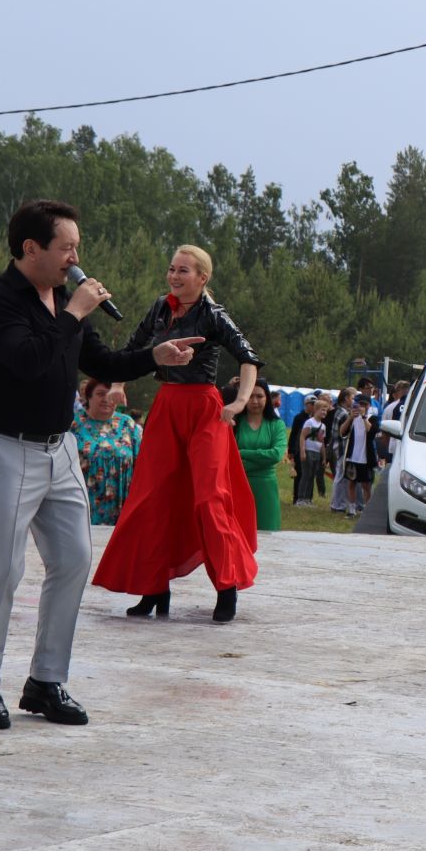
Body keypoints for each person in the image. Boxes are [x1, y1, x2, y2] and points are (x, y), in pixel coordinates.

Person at [0, 199, 203, 731]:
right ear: (31, 249)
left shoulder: (64, 301)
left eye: (77, 248)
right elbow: (28, 360)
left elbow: (101, 362)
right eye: (67, 248)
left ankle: (46, 681)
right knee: (2, 570)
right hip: (5, 446)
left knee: (72, 560)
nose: (77, 259)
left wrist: (154, 356)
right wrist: (73, 314)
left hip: (59, 447)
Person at [93, 244, 263, 625]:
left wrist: (238, 403)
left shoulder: (214, 314)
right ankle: (154, 589)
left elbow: (249, 358)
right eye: (172, 268)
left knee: (209, 499)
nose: (174, 276)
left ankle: (226, 586)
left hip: (205, 410)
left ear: (202, 278)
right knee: (151, 497)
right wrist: (118, 382)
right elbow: (133, 349)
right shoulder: (160, 308)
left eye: (183, 270)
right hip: (167, 405)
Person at [70, 377, 144, 525]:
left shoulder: (127, 424)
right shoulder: (74, 424)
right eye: (100, 394)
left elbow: (141, 463)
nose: (106, 399)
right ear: (88, 397)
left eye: (110, 394)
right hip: (81, 504)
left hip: (121, 504)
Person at [230, 376, 285, 531]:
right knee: (238, 535)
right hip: (238, 487)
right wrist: (261, 460)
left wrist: (241, 453)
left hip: (266, 490)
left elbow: (276, 455)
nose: (254, 401)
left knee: (267, 537)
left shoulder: (277, 425)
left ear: (267, 398)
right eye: (250, 396)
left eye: (259, 396)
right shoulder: (234, 424)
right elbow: (227, 456)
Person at [341, 390, 377, 512]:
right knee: (351, 483)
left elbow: (370, 432)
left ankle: (367, 511)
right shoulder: (351, 417)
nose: (361, 407)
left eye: (364, 405)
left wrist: (363, 416)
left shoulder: (372, 419)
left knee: (366, 485)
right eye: (359, 404)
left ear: (368, 406)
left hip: (366, 458)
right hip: (352, 457)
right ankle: (351, 509)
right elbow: (342, 432)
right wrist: (350, 417)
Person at [296, 400, 326, 506]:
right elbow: (302, 437)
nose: (324, 412)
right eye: (322, 410)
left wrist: (324, 457)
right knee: (306, 475)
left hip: (317, 453)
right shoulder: (310, 422)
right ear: (316, 410)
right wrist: (303, 451)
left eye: (325, 410)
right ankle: (300, 498)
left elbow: (322, 442)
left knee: (312, 476)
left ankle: (308, 499)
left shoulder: (323, 426)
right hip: (308, 451)